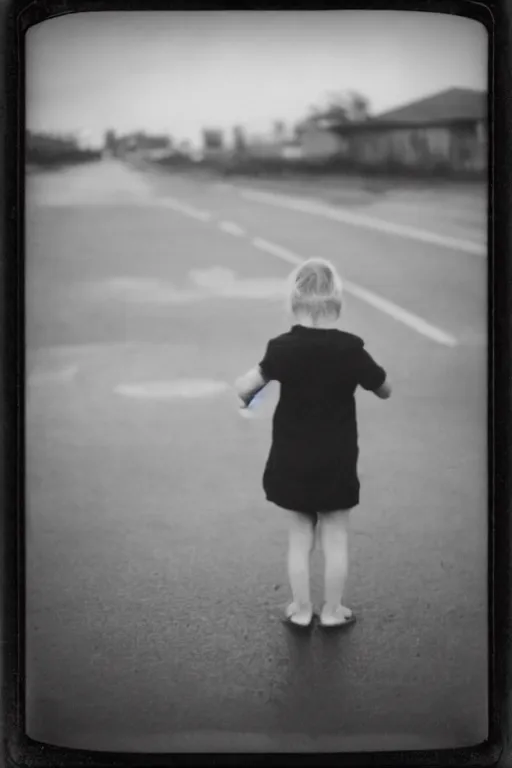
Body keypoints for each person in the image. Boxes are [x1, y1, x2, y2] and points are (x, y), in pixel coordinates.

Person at [235, 258, 391, 628]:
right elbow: (384, 388)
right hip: (336, 459)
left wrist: (244, 397)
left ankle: (302, 610)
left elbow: (246, 387)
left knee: (300, 536)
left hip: (293, 460)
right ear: (337, 301)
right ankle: (334, 611)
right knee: (335, 536)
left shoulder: (281, 348)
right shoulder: (351, 349)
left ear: (294, 300)